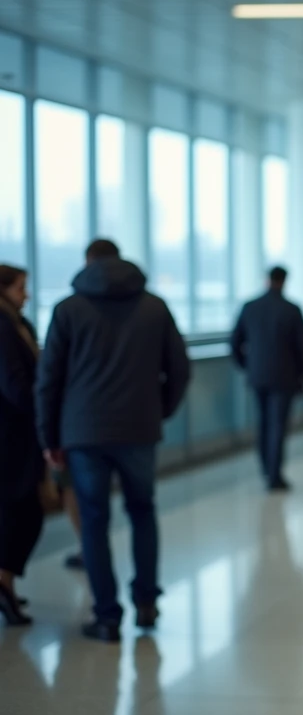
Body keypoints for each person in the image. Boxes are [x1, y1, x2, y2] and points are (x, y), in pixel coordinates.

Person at [36, 240, 191, 643]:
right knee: (142, 511)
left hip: (83, 433)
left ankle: (107, 617)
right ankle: (145, 601)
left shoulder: (67, 309)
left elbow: (48, 380)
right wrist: (161, 409)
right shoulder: (155, 307)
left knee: (93, 520)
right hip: (139, 428)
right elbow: (179, 367)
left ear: (88, 263)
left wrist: (49, 437)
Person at [231, 267, 303, 491]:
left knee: (263, 423)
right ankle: (274, 475)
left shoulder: (250, 307)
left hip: (258, 376)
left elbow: (234, 342)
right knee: (278, 425)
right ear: (284, 281)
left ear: (267, 280)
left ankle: (266, 468)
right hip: (285, 377)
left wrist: (247, 366)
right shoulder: (292, 310)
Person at [0, 265, 42, 626]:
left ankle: (6, 582)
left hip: (17, 431)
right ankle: (5, 582)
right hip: (11, 432)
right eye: (20, 288)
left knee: (19, 509)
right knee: (21, 509)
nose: (25, 294)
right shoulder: (4, 326)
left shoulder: (17, 323)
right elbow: (14, 382)